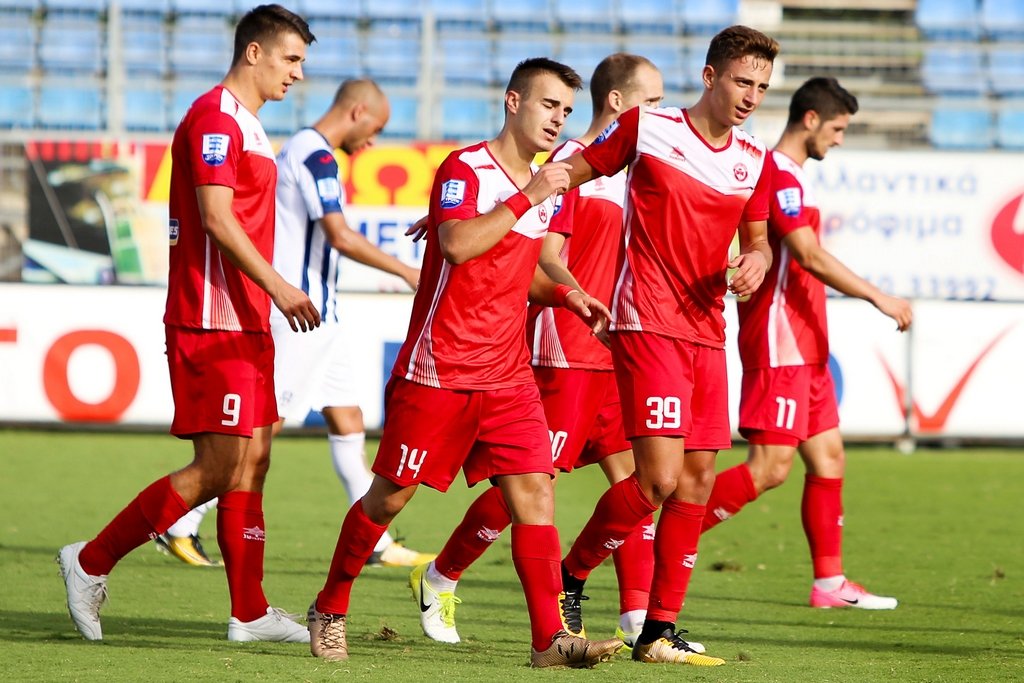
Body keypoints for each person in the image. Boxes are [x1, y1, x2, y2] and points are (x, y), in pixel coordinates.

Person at [305, 57, 622, 668]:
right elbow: (457, 245)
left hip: (507, 373)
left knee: (536, 494)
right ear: (513, 101)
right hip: (440, 370)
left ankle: (549, 639)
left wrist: (569, 295)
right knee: (388, 499)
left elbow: (524, 269)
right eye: (548, 104)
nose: (558, 118)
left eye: (565, 110)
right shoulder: (467, 168)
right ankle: (330, 606)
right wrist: (530, 195)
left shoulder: (545, 186)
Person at [57, 4, 320, 643]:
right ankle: (89, 561)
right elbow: (217, 218)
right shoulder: (215, 118)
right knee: (220, 466)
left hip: (246, 320)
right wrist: (280, 286)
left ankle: (249, 611)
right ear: (253, 53)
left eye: (302, 63)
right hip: (211, 318)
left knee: (252, 462)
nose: (297, 74)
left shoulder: (250, 125)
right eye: (290, 59)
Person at [405, 53, 669, 652]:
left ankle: (639, 621)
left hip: (615, 350)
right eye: (652, 102)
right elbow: (543, 254)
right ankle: (442, 573)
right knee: (526, 487)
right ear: (619, 103)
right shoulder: (569, 165)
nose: (662, 113)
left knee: (638, 483)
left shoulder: (639, 172)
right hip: (564, 350)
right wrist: (576, 299)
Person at [552, 26, 780, 666]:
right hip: (647, 322)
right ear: (710, 76)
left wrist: (756, 262)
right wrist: (510, 198)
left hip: (709, 329)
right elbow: (572, 172)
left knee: (697, 481)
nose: (751, 96)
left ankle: (657, 631)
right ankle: (569, 576)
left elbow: (758, 241)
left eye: (762, 87)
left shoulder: (754, 157)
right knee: (657, 477)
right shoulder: (649, 128)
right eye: (742, 81)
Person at [155, 79, 435, 570]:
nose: (373, 141)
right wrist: (406, 271)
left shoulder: (305, 150)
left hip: (325, 314)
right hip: (302, 316)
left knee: (348, 420)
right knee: (262, 431)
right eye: (376, 128)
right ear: (357, 111)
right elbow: (339, 235)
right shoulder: (314, 154)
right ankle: (181, 522)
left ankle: (375, 540)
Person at [700, 77, 912, 609]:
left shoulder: (796, 177)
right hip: (780, 343)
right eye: (837, 128)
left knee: (830, 457)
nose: (839, 139)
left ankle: (829, 584)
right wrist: (879, 296)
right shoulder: (776, 173)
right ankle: (661, 539)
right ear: (810, 119)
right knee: (770, 468)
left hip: (807, 345)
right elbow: (808, 254)